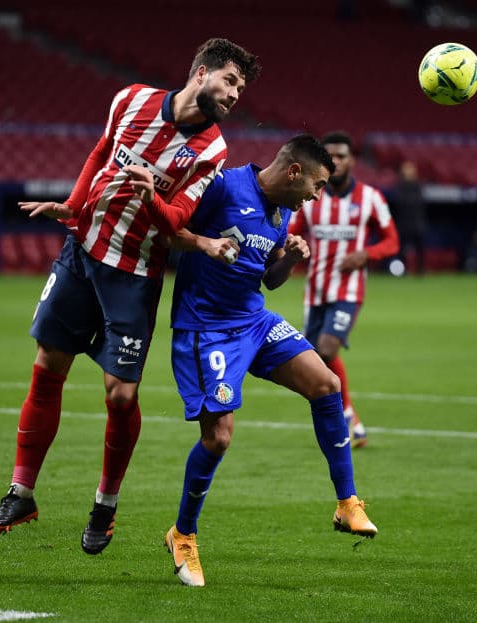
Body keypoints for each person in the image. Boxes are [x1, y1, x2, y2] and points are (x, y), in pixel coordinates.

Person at [0, 39, 261, 557]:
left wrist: (149, 194)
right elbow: (101, 149)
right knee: (47, 367)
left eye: (241, 87)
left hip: (135, 273)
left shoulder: (212, 151)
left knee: (121, 396)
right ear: (201, 73)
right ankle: (21, 493)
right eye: (230, 81)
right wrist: (73, 204)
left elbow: (176, 219)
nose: (235, 94)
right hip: (82, 253)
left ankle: (105, 506)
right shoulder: (130, 99)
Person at [163, 134, 378, 587]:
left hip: (254, 320)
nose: (317, 196)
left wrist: (291, 260)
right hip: (206, 327)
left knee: (326, 384)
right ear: (294, 172)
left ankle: (347, 503)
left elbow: (270, 279)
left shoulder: (281, 212)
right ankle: (182, 534)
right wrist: (205, 244)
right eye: (317, 185)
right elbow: (169, 230)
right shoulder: (222, 187)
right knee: (219, 438)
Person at [288, 131, 399, 448]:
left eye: (342, 156)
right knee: (313, 361)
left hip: (348, 292)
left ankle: (345, 419)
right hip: (315, 291)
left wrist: (367, 254)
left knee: (325, 350)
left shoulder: (370, 198)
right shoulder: (310, 199)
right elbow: (292, 233)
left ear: (352, 160)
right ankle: (350, 416)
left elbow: (392, 241)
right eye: (330, 156)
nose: (336, 161)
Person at [386, 159, 427, 274]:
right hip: (403, 224)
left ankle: (420, 270)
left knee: (419, 249)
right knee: (401, 250)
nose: (408, 171)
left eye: (410, 168)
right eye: (406, 168)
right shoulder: (399, 186)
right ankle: (401, 271)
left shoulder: (418, 186)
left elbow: (419, 203)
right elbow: (399, 203)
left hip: (417, 223)